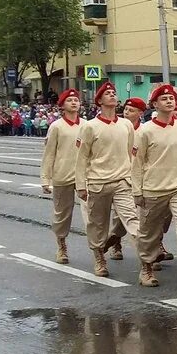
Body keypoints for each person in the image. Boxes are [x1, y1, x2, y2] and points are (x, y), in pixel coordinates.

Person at [132, 84, 177, 287]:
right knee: (149, 233)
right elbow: (136, 164)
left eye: (171, 97)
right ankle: (146, 268)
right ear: (154, 104)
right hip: (152, 189)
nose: (169, 101)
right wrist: (137, 191)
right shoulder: (145, 131)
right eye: (164, 99)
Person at [74, 82, 142, 277]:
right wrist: (81, 185)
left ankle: (146, 260)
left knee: (132, 220)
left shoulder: (126, 125)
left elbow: (131, 153)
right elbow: (82, 159)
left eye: (114, 93)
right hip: (98, 182)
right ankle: (99, 258)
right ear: (99, 100)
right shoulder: (89, 127)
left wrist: (133, 179)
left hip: (122, 181)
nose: (112, 96)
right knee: (98, 224)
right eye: (107, 94)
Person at [40, 90, 83, 263]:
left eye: (76, 100)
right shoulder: (56, 126)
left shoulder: (87, 125)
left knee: (92, 214)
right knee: (62, 213)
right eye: (70, 100)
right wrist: (46, 179)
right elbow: (49, 154)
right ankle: (61, 245)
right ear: (62, 105)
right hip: (62, 174)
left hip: (84, 176)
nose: (74, 103)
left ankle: (98, 248)